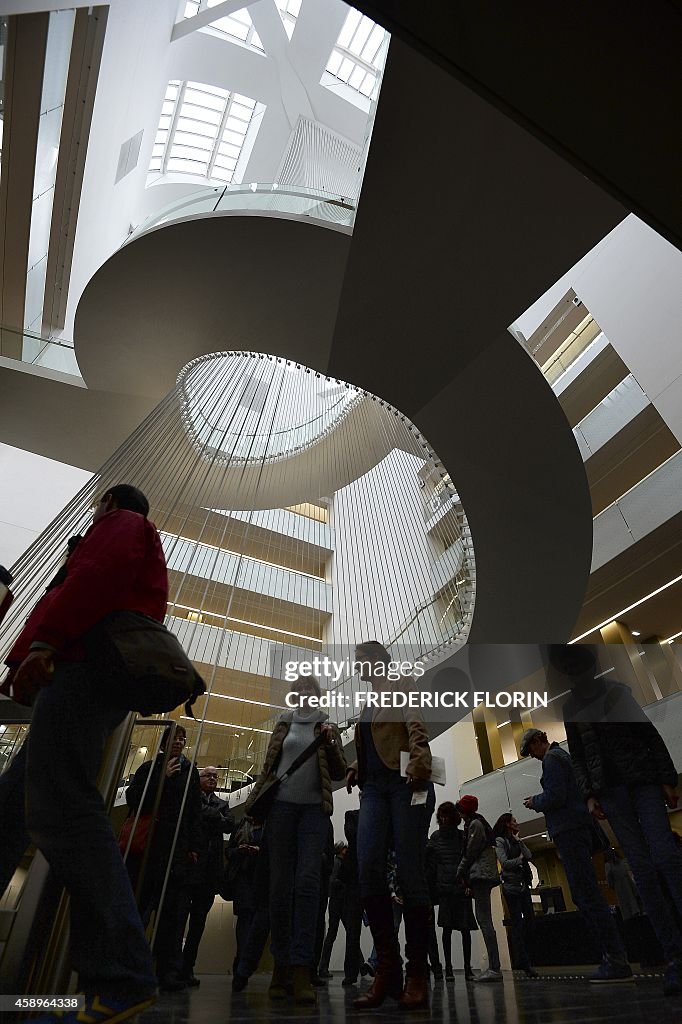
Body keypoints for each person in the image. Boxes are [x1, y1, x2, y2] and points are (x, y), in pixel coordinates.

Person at [0, 484, 167, 1024]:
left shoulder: (122, 526)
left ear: (109, 505)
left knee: (65, 809)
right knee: (13, 805)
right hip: (74, 670)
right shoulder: (121, 534)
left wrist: (44, 645)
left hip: (82, 672)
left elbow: (94, 578)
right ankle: (122, 976)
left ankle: (123, 976)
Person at [554, 642, 682, 996]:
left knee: (666, 859)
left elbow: (648, 736)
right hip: (612, 792)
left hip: (641, 782)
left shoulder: (617, 694)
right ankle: (674, 957)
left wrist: (667, 778)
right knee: (643, 870)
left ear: (590, 668)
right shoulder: (572, 708)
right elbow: (579, 755)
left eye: (579, 668)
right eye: (570, 670)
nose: (575, 675)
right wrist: (590, 794)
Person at [244, 674, 346, 1004]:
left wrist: (330, 742)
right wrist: (256, 800)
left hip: (314, 813)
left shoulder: (328, 726)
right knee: (279, 889)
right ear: (294, 695)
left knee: (308, 884)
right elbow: (268, 768)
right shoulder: (283, 724)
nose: (303, 692)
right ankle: (281, 968)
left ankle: (303, 968)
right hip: (282, 811)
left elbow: (341, 771)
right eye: (299, 689)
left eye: (310, 689)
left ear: (317, 695)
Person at [346, 640, 435, 1010]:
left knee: (411, 874)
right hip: (373, 789)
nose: (357, 667)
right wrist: (356, 766)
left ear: (376, 660)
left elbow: (416, 724)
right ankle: (388, 970)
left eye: (360, 661)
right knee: (367, 870)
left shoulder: (401, 684)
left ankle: (417, 972)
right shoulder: (368, 703)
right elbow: (373, 743)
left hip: (404, 784)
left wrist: (420, 762)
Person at [521, 727, 633, 983]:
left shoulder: (552, 759)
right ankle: (613, 956)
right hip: (577, 829)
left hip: (569, 830)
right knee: (586, 893)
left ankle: (614, 958)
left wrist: (535, 802)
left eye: (531, 750)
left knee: (586, 894)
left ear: (539, 741)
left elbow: (556, 796)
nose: (532, 756)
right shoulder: (562, 757)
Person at [125, 725, 202, 991]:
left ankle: (166, 970)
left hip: (175, 848)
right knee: (141, 906)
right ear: (164, 742)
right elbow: (135, 799)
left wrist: (192, 845)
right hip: (149, 848)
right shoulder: (149, 768)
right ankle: (130, 965)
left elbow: (194, 809)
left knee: (172, 913)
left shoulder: (190, 771)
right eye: (175, 738)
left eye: (183, 738)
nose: (179, 742)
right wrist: (163, 779)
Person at [178, 765, 235, 985]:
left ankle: (187, 968)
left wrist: (210, 815)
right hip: (190, 867)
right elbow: (205, 815)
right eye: (207, 775)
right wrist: (215, 816)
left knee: (198, 923)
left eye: (215, 776)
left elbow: (230, 824)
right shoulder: (193, 799)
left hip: (210, 873)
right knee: (179, 919)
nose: (212, 778)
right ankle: (172, 965)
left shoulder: (223, 803)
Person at [426, 801, 478, 982]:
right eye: (441, 815)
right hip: (446, 889)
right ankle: (449, 968)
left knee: (463, 930)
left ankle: (466, 968)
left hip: (458, 887)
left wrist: (468, 885)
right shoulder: (438, 837)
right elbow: (430, 865)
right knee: (449, 930)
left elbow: (468, 861)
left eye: (446, 815)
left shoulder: (459, 837)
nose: (443, 818)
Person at [455, 795, 502, 982]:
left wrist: (460, 870)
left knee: (484, 920)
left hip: (481, 875)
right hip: (484, 875)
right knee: (485, 919)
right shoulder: (479, 823)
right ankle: (494, 966)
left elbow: (470, 851)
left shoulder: (474, 825)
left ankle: (494, 967)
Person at [493, 812, 538, 977]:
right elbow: (504, 863)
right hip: (511, 887)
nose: (517, 823)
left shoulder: (515, 841)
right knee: (518, 924)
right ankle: (524, 962)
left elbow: (529, 855)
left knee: (530, 922)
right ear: (507, 824)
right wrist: (519, 859)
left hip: (523, 885)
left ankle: (527, 959)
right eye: (514, 821)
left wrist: (520, 842)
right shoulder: (500, 841)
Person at [229, 816, 271, 992]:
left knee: (260, 921)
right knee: (245, 920)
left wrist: (260, 850)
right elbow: (229, 852)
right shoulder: (242, 824)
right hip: (244, 878)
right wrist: (240, 850)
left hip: (264, 879)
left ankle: (246, 965)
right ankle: (242, 963)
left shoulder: (272, 823)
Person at [318, 841, 349, 978]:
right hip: (337, 902)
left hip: (339, 902)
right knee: (333, 934)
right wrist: (344, 884)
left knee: (343, 933)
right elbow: (333, 882)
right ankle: (323, 967)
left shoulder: (339, 862)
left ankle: (359, 964)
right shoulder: (338, 863)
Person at [604, 849, 642, 921]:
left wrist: (612, 885)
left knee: (627, 902)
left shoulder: (609, 865)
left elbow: (609, 879)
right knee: (631, 901)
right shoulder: (622, 862)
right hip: (625, 884)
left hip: (621, 885)